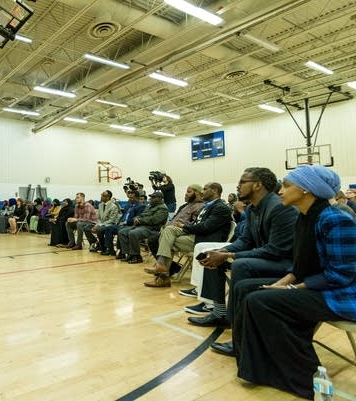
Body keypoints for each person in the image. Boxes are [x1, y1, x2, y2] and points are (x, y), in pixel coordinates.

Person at [232, 165, 356, 399]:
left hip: (341, 294)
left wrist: (292, 288)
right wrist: (283, 283)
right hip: (319, 285)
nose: (280, 190)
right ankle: (260, 367)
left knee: (261, 300)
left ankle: (305, 378)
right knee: (245, 287)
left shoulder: (338, 219)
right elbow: (299, 266)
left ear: (307, 190)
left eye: (287, 186)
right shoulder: (305, 217)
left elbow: (340, 275)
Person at [190, 167, 297, 329]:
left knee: (241, 265)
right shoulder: (253, 208)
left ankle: (236, 325)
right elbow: (245, 241)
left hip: (285, 264)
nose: (238, 186)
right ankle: (219, 312)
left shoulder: (280, 208)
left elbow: (276, 251)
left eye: (242, 182)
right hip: (266, 257)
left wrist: (230, 255)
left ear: (257, 185)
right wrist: (221, 252)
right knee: (210, 255)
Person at [144, 182, 231, 288]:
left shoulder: (220, 207)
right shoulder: (208, 206)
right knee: (169, 231)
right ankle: (161, 267)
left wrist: (183, 227)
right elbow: (198, 225)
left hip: (206, 240)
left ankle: (162, 275)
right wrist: (183, 227)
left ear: (215, 191)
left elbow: (206, 227)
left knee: (167, 239)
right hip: (196, 235)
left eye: (205, 189)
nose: (202, 192)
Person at [116, 191, 168, 264]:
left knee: (133, 233)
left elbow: (154, 220)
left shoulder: (163, 208)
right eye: (151, 197)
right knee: (122, 232)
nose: (151, 199)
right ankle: (128, 254)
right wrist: (136, 218)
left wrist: (140, 220)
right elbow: (142, 215)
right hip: (141, 225)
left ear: (160, 198)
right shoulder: (149, 206)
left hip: (151, 229)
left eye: (153, 197)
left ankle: (137, 256)